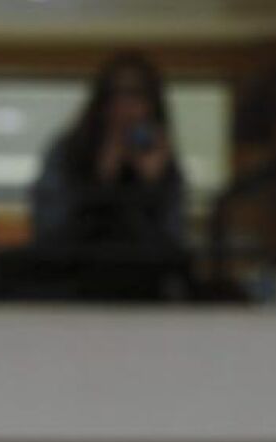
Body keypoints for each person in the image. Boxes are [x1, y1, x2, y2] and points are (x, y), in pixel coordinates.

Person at [26, 51, 189, 300]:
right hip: (73, 281)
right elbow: (49, 231)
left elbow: (173, 241)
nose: (125, 106)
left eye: (136, 94)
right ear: (101, 102)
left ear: (152, 103)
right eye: (115, 94)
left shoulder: (163, 161)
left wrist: (154, 185)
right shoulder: (68, 151)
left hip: (146, 285)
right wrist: (100, 180)